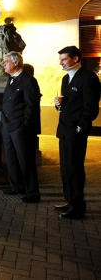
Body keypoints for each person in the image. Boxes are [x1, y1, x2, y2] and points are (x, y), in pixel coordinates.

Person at [53, 46, 101, 219]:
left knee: (75, 168)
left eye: (64, 59)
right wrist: (59, 103)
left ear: (76, 59)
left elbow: (91, 106)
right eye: (60, 59)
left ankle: (78, 206)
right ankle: (70, 201)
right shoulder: (66, 79)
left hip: (76, 130)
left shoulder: (88, 78)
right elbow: (67, 103)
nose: (61, 63)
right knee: (65, 168)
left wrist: (81, 126)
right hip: (64, 128)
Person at [1, 51, 41, 203]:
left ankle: (32, 192)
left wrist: (24, 125)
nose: (3, 64)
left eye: (6, 61)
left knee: (26, 160)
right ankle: (16, 186)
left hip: (20, 128)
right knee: (11, 158)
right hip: (7, 126)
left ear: (15, 62)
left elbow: (32, 106)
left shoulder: (28, 80)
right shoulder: (10, 79)